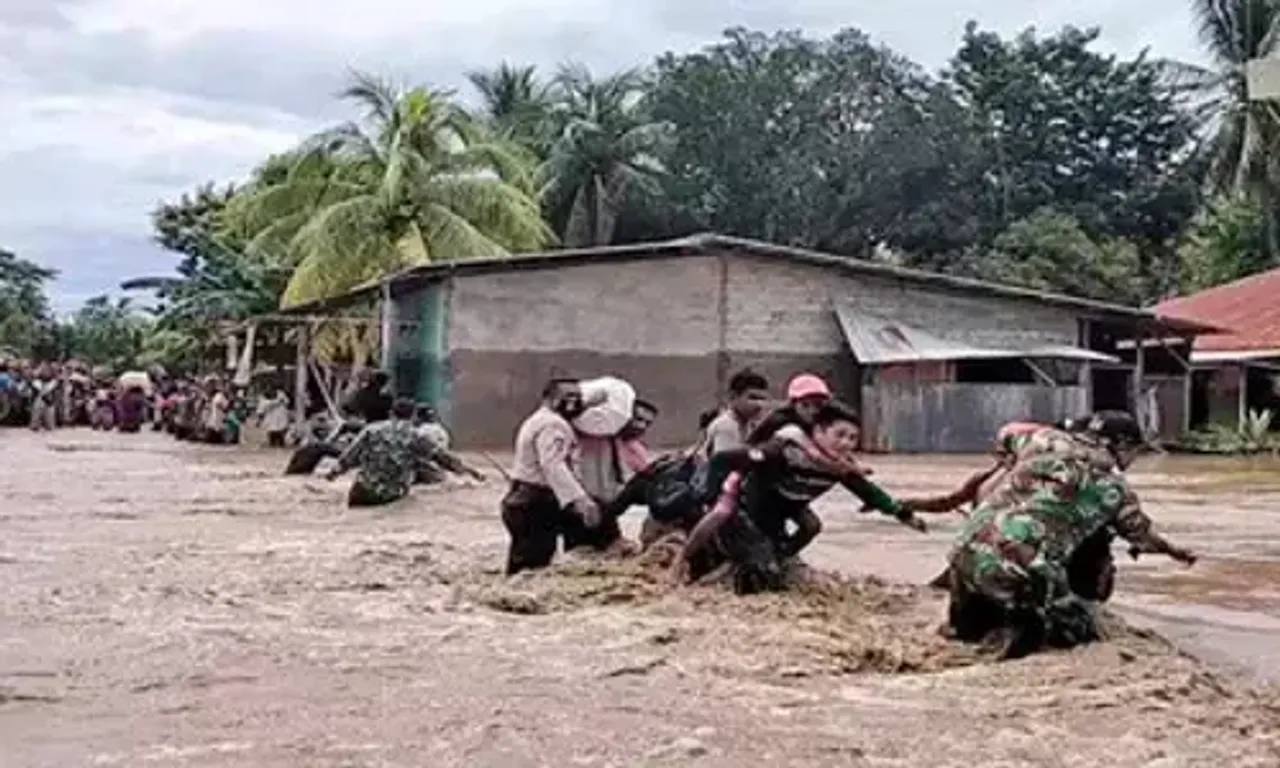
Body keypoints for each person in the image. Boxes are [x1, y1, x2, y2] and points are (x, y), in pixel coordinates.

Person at [946, 411, 1197, 660]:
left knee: (963, 637)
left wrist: (1015, 465)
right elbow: (1144, 537)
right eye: (1136, 452)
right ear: (1121, 446)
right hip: (1019, 571)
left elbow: (1007, 434)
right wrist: (1175, 551)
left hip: (961, 553)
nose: (1134, 459)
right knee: (1086, 636)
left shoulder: (1042, 439)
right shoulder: (1116, 491)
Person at [675, 402, 929, 594]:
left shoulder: (839, 467)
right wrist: (709, 493)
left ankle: (772, 560)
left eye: (852, 438)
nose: (846, 444)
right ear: (818, 430)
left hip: (777, 516)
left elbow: (870, 492)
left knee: (807, 532)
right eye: (839, 435)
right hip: (739, 512)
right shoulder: (785, 451)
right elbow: (722, 458)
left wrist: (906, 516)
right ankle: (692, 578)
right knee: (765, 573)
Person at [501, 378, 607, 575]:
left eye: (577, 397)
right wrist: (580, 500)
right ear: (549, 399)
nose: (574, 402)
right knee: (533, 567)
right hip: (536, 502)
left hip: (523, 498)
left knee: (525, 565)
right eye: (568, 397)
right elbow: (553, 465)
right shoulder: (554, 425)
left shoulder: (540, 419)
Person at [325, 398, 451, 507]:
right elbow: (441, 457)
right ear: (413, 416)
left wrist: (333, 474)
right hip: (392, 494)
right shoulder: (416, 435)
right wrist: (464, 471)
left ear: (391, 413)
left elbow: (349, 456)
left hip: (361, 491)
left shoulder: (371, 429)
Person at [702, 369, 771, 456]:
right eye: (753, 398)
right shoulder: (725, 426)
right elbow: (726, 464)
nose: (759, 404)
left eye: (762, 399)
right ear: (733, 397)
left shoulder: (751, 424)